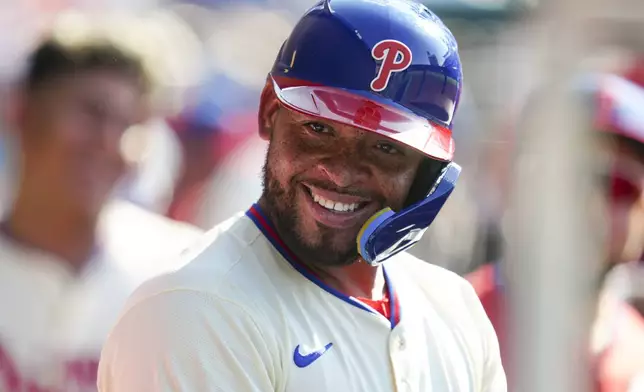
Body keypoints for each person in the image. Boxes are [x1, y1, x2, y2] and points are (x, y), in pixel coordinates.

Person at [98, 1, 506, 391]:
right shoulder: (194, 307)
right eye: (319, 129)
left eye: (385, 148)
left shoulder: (453, 307)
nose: (341, 171)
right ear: (269, 114)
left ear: (427, 173)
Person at [0, 37, 201, 391]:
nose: (110, 142)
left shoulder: (187, 270)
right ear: (22, 112)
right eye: (92, 114)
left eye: (130, 124)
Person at [466, 71, 644, 391]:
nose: (593, 206)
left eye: (620, 187)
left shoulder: (638, 351)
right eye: (567, 179)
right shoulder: (452, 320)